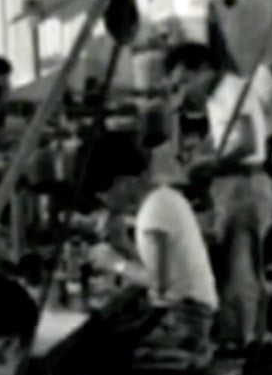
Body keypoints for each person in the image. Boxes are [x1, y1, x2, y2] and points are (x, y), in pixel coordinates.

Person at [163, 42, 272, 346]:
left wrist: (207, 165)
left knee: (239, 270)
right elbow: (234, 139)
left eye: (184, 82)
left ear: (203, 70)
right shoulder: (221, 96)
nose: (184, 91)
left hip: (243, 187)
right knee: (242, 267)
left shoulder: (230, 90)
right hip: (239, 185)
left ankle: (239, 344)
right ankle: (249, 337)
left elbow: (244, 143)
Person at [91, 132, 219, 351]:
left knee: (101, 344)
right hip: (189, 313)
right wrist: (122, 245)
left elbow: (161, 286)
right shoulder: (163, 198)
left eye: (104, 194)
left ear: (124, 183)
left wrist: (114, 263)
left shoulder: (154, 212)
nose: (105, 203)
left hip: (185, 321)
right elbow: (159, 270)